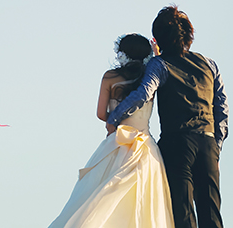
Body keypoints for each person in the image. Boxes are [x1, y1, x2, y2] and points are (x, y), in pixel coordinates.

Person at [107, 5, 228, 228]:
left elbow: (143, 93)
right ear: (189, 35)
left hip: (177, 143)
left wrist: (113, 117)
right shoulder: (209, 64)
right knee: (211, 214)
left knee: (182, 213)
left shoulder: (160, 64)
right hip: (208, 142)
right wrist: (216, 144)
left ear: (159, 38)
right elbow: (221, 108)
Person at [47, 34, 174, 228]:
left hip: (117, 142)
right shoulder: (151, 78)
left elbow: (100, 113)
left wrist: (115, 119)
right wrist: (157, 55)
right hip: (146, 147)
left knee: (98, 195)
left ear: (122, 54)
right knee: (145, 204)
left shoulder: (110, 77)